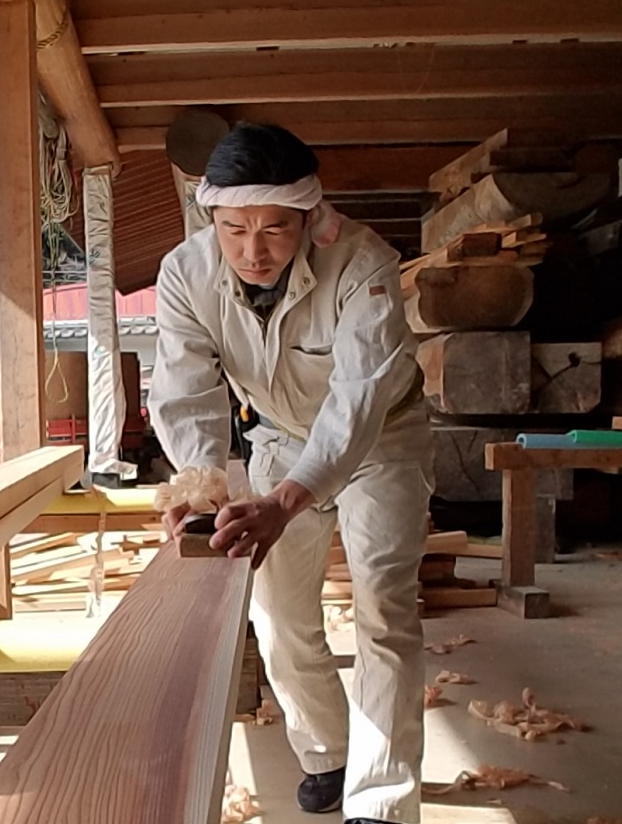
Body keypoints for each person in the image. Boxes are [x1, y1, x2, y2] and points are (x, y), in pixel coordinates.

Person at [148, 123, 433, 824]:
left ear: (310, 215)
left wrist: (288, 498)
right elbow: (184, 390)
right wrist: (200, 486)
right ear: (210, 216)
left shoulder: (364, 264)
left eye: (275, 228)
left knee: (383, 609)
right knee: (274, 611)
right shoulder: (184, 274)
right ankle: (329, 752)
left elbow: (357, 400)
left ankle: (381, 802)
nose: (253, 250)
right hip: (278, 433)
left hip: (379, 440)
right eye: (234, 228)